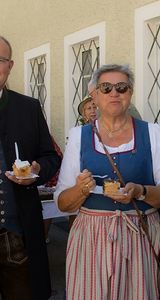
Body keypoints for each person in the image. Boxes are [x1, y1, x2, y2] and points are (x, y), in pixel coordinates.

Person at [54, 64, 160, 300]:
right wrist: (82, 190)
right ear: (94, 95)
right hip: (91, 238)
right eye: (106, 88)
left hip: (138, 236)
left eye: (122, 87)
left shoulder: (151, 133)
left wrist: (141, 192)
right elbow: (63, 202)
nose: (115, 93)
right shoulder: (79, 137)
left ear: (130, 93)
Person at [0, 36, 61, 300]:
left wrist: (36, 170)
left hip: (18, 233)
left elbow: (51, 156)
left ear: (10, 65)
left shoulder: (28, 107)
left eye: (0, 60)